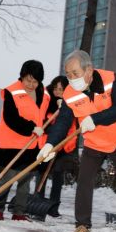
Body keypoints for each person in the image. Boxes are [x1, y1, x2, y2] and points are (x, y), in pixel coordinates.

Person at [37, 49, 116, 232]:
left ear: (89, 70)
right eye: (68, 74)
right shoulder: (70, 93)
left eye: (75, 73)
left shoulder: (110, 79)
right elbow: (64, 121)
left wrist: (94, 119)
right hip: (95, 142)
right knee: (84, 182)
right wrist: (50, 144)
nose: (71, 79)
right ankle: (82, 226)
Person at [0, 60, 50, 221]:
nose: (31, 84)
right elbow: (10, 118)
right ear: (22, 77)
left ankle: (19, 212)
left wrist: (58, 103)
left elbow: (47, 109)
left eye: (35, 81)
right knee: (6, 180)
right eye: (28, 80)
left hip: (33, 145)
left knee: (25, 181)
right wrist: (30, 127)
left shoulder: (43, 93)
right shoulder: (12, 92)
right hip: (12, 144)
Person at [36, 75, 77, 217]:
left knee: (58, 175)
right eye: (56, 89)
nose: (58, 92)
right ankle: (38, 202)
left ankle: (54, 207)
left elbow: (71, 127)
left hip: (63, 145)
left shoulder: (70, 105)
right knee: (42, 174)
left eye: (61, 89)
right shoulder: (47, 103)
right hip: (47, 144)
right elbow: (42, 123)